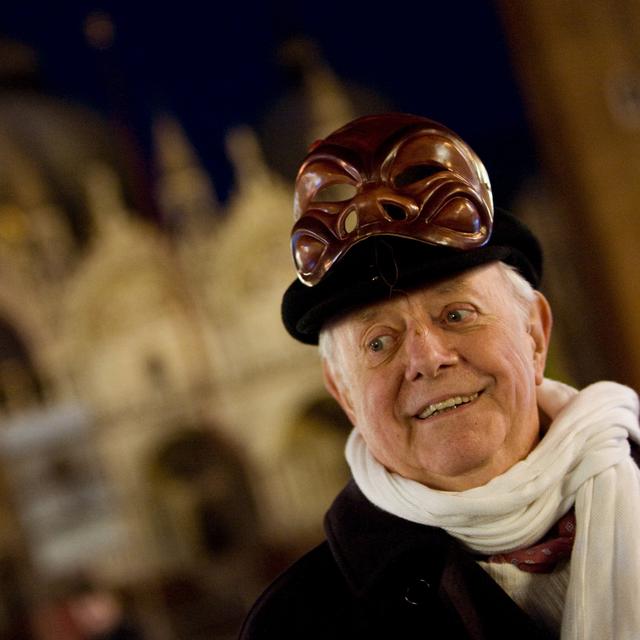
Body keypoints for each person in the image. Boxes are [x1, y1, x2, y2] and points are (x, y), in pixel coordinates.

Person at [239, 113, 640, 639]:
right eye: (379, 342)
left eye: (457, 314)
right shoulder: (296, 627)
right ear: (343, 393)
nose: (428, 358)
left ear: (536, 334)